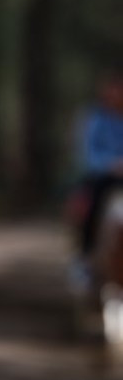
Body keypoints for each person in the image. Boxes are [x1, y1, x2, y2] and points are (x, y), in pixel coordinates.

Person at [70, 69, 123, 290]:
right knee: (93, 202)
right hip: (104, 177)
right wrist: (111, 165)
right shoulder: (94, 119)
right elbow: (88, 154)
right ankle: (85, 259)